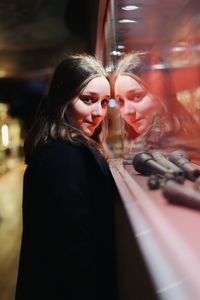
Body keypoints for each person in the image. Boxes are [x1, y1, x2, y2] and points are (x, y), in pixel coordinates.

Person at [15, 54, 118, 300]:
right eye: (88, 100)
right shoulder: (63, 156)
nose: (98, 113)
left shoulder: (59, 149)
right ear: (63, 100)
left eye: (104, 102)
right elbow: (73, 249)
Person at [113, 51, 200, 160]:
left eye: (137, 96)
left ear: (162, 93)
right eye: (120, 101)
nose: (127, 111)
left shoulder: (178, 145)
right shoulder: (146, 143)